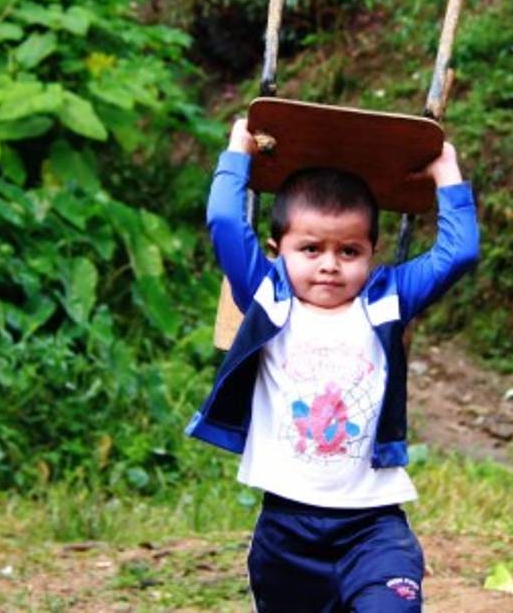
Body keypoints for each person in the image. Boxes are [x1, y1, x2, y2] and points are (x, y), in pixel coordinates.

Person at [186, 116, 479, 611]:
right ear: (278, 251)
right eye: (310, 248)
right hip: (286, 530)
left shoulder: (388, 299)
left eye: (349, 251)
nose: (329, 264)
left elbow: (459, 252)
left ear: (371, 253)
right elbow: (224, 222)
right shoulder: (268, 294)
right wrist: (239, 151)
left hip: (374, 526)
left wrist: (445, 170)